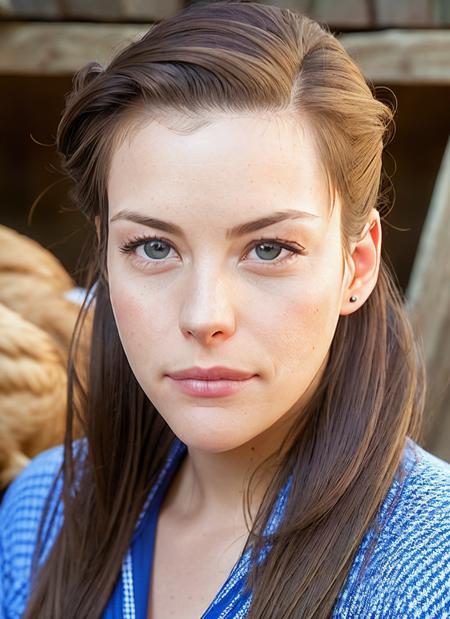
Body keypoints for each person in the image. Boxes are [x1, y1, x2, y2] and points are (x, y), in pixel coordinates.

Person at [1, 2, 449, 618]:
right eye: (154, 247)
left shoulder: (433, 564)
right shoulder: (40, 516)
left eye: (269, 249)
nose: (204, 314)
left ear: (358, 265)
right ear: (106, 252)